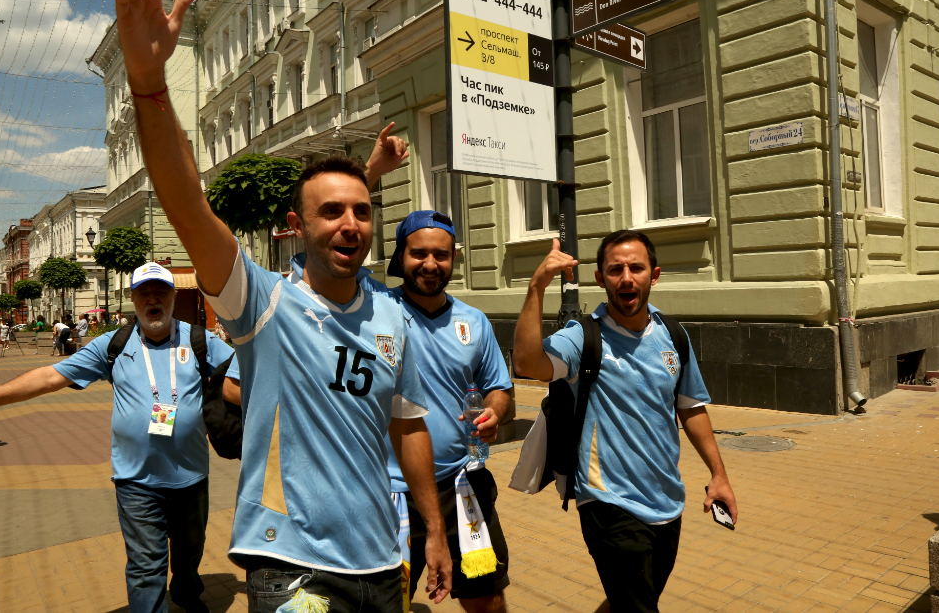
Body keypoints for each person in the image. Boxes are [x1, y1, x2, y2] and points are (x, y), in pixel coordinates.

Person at [115, 0, 452, 611]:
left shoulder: (391, 317)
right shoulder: (261, 302)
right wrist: (150, 85)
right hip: (291, 566)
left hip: (385, 561)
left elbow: (409, 426)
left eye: (362, 209)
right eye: (330, 211)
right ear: (296, 227)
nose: (350, 222)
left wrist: (433, 528)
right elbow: (186, 201)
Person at [0, 262, 240, 612]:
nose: (153, 298)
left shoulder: (201, 341)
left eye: (161, 291)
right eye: (144, 292)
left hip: (191, 477)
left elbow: (241, 380)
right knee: (145, 566)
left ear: (172, 296)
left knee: (189, 552)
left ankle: (185, 591)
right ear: (133, 299)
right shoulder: (113, 344)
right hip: (136, 481)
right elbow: (49, 378)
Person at [288, 211, 514, 611]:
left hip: (460, 487)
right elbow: (323, 259)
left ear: (454, 258)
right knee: (389, 603)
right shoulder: (373, 306)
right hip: (382, 492)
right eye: (419, 253)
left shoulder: (474, 321)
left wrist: (494, 411)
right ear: (400, 257)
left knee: (487, 596)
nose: (430, 264)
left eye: (441, 255)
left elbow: (499, 387)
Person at [512, 231, 739, 612]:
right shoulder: (583, 337)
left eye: (636, 267)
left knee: (633, 599)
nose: (627, 277)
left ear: (655, 274)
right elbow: (528, 364)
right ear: (601, 279)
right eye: (615, 269)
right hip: (607, 501)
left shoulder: (673, 336)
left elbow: (691, 407)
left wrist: (719, 475)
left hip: (667, 500)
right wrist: (537, 286)